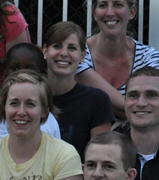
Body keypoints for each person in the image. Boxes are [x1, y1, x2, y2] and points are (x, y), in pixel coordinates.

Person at [0, 70, 83, 180]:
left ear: (45, 111)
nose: (21, 112)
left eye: (30, 104)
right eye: (14, 103)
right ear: (3, 108)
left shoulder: (65, 156)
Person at [43, 21, 114, 161]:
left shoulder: (97, 101)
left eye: (72, 48)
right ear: (45, 51)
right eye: (57, 46)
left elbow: (98, 158)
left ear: (82, 56)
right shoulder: (29, 97)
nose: (64, 53)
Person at [0, 43, 61, 143]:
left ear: (43, 75)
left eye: (30, 70)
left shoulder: (49, 120)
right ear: (5, 75)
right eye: (15, 69)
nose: (21, 74)